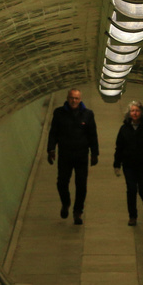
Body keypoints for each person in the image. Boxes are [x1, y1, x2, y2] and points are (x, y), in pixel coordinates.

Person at [47, 88, 99, 225]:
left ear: (80, 99)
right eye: (71, 98)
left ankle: (78, 212)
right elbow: (53, 133)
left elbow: (92, 135)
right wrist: (51, 149)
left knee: (81, 185)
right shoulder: (59, 113)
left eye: (76, 98)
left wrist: (94, 153)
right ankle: (66, 202)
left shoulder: (87, 114)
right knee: (62, 182)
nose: (74, 101)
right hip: (65, 154)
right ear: (67, 98)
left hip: (81, 155)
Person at [113, 100, 143, 226]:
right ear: (129, 113)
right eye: (132, 111)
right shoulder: (124, 129)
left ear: (142, 113)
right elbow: (119, 147)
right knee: (131, 190)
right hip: (129, 165)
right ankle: (132, 216)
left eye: (137, 111)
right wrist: (117, 164)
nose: (135, 113)